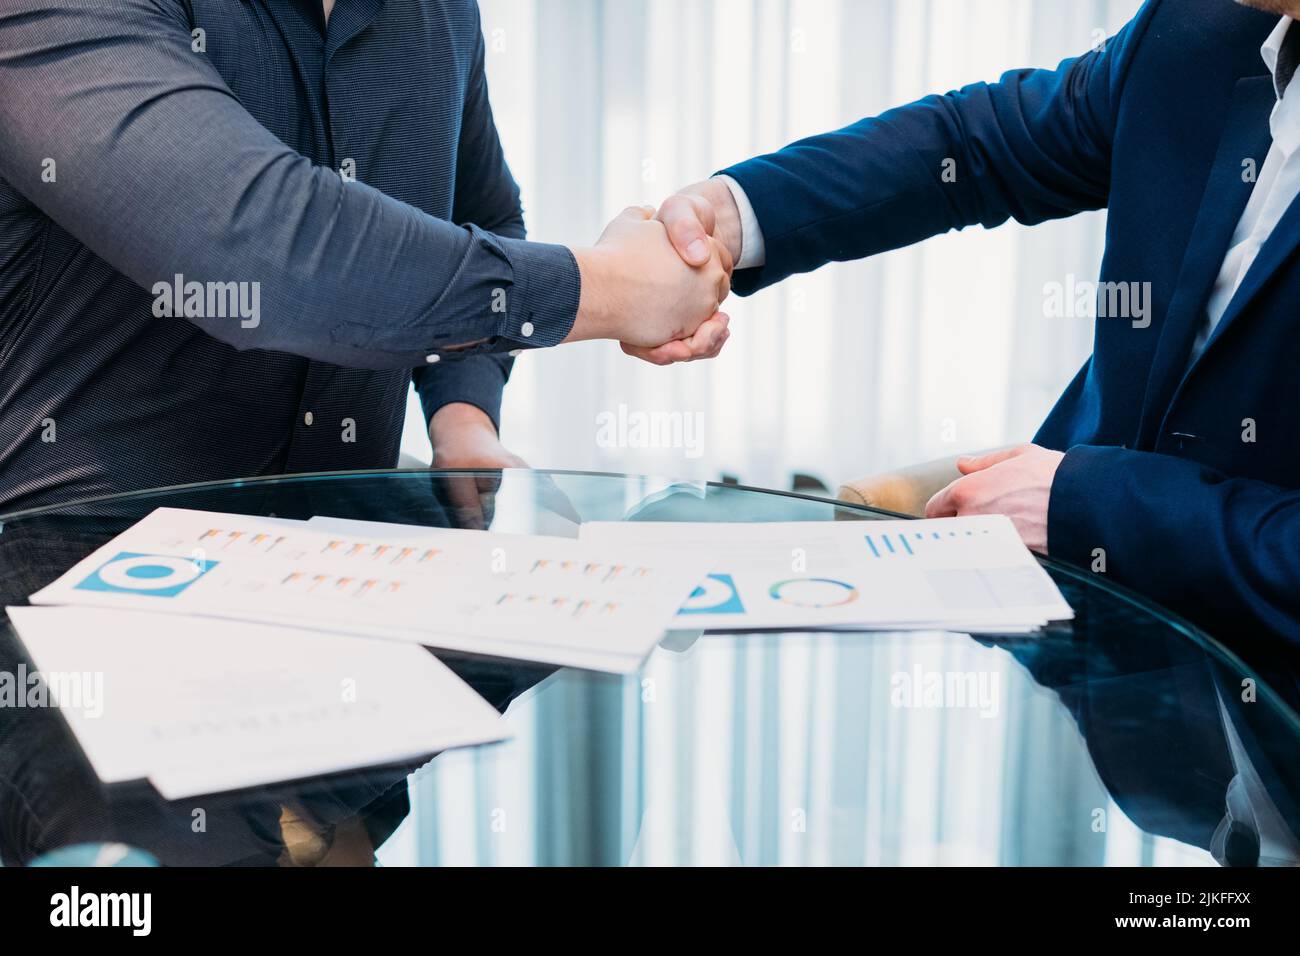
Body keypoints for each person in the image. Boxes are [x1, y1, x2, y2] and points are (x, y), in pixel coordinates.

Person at [655, 0, 1300, 652]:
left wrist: (1092, 508)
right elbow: (982, 143)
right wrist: (738, 216)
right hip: (1076, 645)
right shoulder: (1203, 24)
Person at [0, 0, 732, 512]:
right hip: (64, 577)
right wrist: (613, 287)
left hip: (342, 573)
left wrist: (463, 416)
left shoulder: (440, 13)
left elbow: (482, 216)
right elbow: (265, 253)